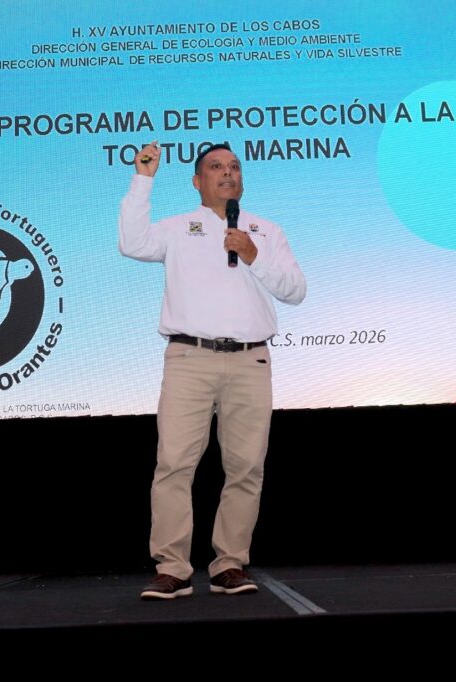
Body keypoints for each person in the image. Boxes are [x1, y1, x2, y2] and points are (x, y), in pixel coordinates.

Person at [118, 141, 306, 600]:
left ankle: (230, 565)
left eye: (234, 167)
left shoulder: (265, 231)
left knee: (246, 467)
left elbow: (296, 291)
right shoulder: (178, 228)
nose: (228, 173)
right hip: (190, 358)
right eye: (217, 167)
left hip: (250, 360)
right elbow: (132, 243)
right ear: (197, 181)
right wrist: (143, 179)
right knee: (174, 464)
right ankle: (172, 568)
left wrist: (253, 255)